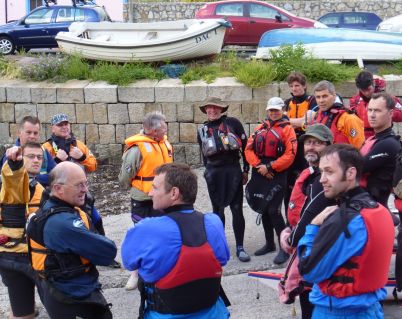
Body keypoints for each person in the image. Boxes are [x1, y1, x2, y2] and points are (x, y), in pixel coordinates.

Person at [121, 163, 230, 319]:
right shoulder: (213, 222)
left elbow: (129, 262)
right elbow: (222, 259)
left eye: (155, 188)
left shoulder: (147, 228)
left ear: (174, 193)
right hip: (213, 313)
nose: (150, 192)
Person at [298, 144, 395, 318]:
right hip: (371, 310)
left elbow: (309, 270)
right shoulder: (379, 210)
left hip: (337, 311)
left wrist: (312, 227)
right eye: (321, 172)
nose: (322, 179)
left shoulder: (344, 220)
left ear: (350, 173)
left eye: (329, 172)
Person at [26, 162, 117, 319]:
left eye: (85, 184)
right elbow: (108, 252)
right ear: (58, 189)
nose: (85, 190)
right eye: (79, 185)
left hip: (58, 289)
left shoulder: (49, 206)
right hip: (71, 296)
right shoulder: (62, 224)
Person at [280, 124, 335, 319]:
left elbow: (309, 218)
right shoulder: (312, 173)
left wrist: (288, 238)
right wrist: (289, 226)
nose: (311, 147)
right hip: (308, 247)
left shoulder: (323, 180)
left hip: (316, 251)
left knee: (310, 305)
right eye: (308, 143)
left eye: (317, 143)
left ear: (328, 146)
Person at [118, 111, 173, 290]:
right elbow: (124, 177)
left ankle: (163, 268)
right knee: (142, 235)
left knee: (163, 234)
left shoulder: (165, 143)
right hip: (143, 199)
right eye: (163, 127)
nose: (166, 130)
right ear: (152, 130)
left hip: (163, 197)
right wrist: (140, 187)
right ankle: (135, 273)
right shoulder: (136, 149)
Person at [197, 97, 250, 262]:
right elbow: (204, 155)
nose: (212, 111)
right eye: (209, 108)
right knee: (218, 211)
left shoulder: (233, 123)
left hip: (232, 170)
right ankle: (221, 245)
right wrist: (207, 172)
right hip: (214, 173)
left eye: (216, 108)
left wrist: (246, 170)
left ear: (222, 109)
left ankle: (240, 247)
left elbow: (246, 147)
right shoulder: (202, 129)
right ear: (205, 110)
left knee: (236, 209)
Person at [245, 97, 297, 265]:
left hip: (277, 173)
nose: (274, 113)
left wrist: (271, 167)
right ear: (267, 111)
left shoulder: (288, 129)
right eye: (271, 110)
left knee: (274, 211)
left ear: (282, 111)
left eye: (277, 110)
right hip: (260, 171)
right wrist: (260, 166)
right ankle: (269, 244)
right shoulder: (260, 128)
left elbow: (290, 155)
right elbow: (248, 149)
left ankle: (285, 248)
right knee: (264, 208)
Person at [0, 142, 45, 319]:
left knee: (24, 311)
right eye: (31, 157)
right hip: (18, 256)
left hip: (25, 254)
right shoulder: (14, 182)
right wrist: (15, 164)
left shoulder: (41, 185)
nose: (36, 160)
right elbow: (13, 179)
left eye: (39, 157)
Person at [359, 92, 401, 208]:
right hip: (362, 204)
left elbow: (357, 168)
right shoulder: (372, 140)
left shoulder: (389, 144)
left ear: (391, 113)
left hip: (373, 209)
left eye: (377, 111)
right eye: (370, 110)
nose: (372, 115)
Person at [283, 72, 317, 212]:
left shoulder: (312, 101)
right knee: (288, 184)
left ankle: (305, 213)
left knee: (306, 179)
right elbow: (282, 123)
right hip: (290, 145)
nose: (294, 88)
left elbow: (308, 121)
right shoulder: (286, 103)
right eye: (291, 86)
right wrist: (299, 122)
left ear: (304, 85)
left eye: (297, 85)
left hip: (306, 144)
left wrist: (291, 121)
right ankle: (289, 217)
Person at [1, 116, 56, 187]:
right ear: (19, 133)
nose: (32, 136)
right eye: (28, 132)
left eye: (35, 133)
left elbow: (56, 176)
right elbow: (12, 181)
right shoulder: (11, 154)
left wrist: (34, 178)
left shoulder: (44, 152)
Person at [311, 80, 365, 149]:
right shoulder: (318, 115)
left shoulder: (348, 118)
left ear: (334, 96)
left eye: (324, 96)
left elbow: (360, 149)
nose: (321, 101)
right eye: (318, 97)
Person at [349, 70, 402, 139]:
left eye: (368, 89)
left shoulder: (388, 98)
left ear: (373, 83)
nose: (366, 93)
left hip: (383, 135)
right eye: (363, 90)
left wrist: (387, 112)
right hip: (361, 137)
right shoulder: (355, 100)